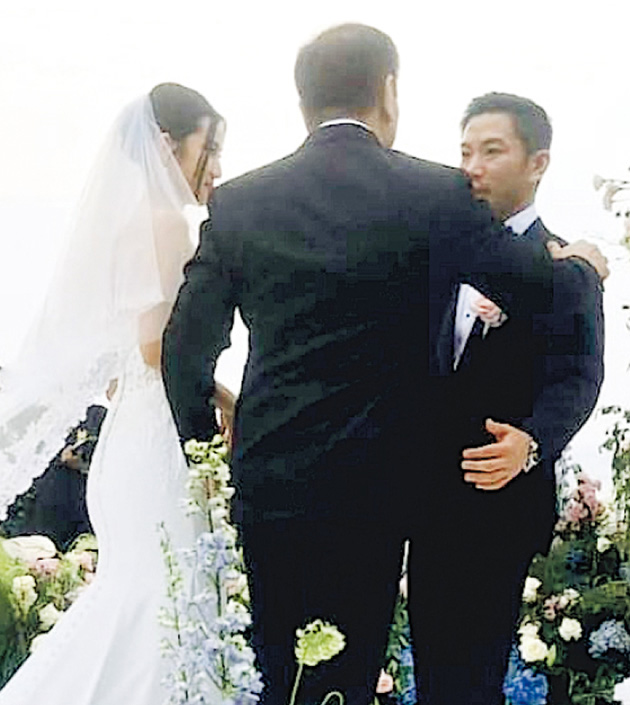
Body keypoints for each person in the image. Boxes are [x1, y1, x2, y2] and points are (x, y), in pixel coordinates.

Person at [162, 24, 603, 705]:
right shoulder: (433, 194)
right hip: (377, 493)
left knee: (279, 677)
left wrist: (210, 452)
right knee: (345, 677)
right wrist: (584, 266)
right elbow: (536, 287)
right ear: (389, 92)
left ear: (303, 102)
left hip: (271, 486)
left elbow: (185, 352)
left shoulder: (241, 201)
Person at [0, 83, 229, 705]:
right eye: (209, 148)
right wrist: (226, 398)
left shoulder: (125, 226)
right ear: (168, 146)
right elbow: (157, 349)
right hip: (157, 441)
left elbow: (122, 358)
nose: (217, 167)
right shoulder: (168, 224)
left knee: (142, 599)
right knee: (164, 600)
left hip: (131, 434)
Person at [407, 93, 605, 705]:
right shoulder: (436, 257)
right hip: (421, 499)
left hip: (501, 500)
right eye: (465, 152)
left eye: (492, 151)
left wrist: (532, 441)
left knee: (476, 675)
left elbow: (579, 376)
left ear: (537, 162)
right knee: (432, 673)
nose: (473, 168)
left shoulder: (565, 266)